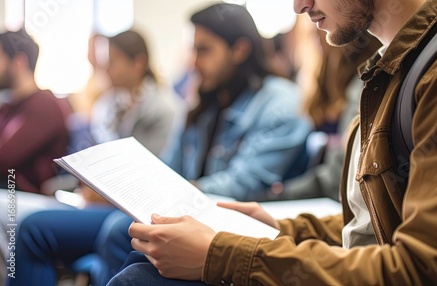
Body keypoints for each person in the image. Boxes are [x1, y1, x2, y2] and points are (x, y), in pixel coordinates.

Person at [108, 0, 437, 285]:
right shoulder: (399, 65)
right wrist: (284, 229)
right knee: (140, 256)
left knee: (137, 278)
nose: (299, 6)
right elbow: (379, 224)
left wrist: (223, 255)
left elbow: (429, 272)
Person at [5, 30, 183, 286]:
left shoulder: (164, 109)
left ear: (138, 63)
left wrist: (101, 193)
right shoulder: (111, 104)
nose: (105, 69)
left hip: (125, 207)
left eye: (112, 62)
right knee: (32, 219)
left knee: (33, 227)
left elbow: (154, 176)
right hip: (99, 200)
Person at [162, 3, 311, 201]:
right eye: (194, 50)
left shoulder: (280, 103)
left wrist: (178, 192)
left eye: (204, 50)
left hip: (243, 217)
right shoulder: (206, 101)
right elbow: (168, 167)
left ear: (240, 50)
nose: (194, 63)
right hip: (195, 207)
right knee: (122, 223)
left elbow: (245, 185)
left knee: (118, 226)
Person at [268, 31, 380, 201]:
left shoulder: (364, 87)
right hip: (321, 191)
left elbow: (337, 175)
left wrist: (285, 193)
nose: (318, 39)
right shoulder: (324, 79)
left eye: (323, 33)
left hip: (333, 197)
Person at [0, 29, 71, 194]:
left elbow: (3, 159)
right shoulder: (8, 107)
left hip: (23, 195)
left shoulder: (45, 106)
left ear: (19, 62)